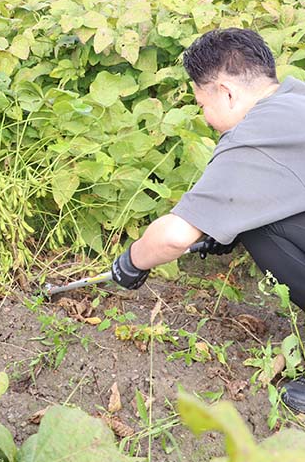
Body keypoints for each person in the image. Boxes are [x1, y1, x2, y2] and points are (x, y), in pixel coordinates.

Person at [110, 27, 305, 413]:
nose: (204, 116)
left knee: (262, 232)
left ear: (226, 92)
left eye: (201, 104)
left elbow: (173, 236)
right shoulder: (295, 97)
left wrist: (131, 262)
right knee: (258, 224)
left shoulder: (253, 135)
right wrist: (225, 226)